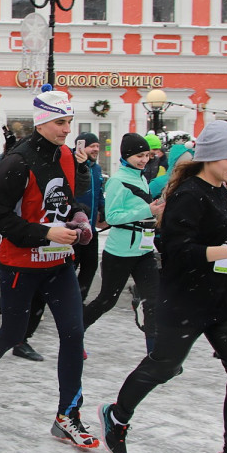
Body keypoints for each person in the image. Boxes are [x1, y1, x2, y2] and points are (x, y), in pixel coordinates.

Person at [99, 121, 227, 453]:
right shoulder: (189, 194)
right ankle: (117, 415)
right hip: (183, 300)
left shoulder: (220, 190)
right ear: (211, 155)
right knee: (163, 366)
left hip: (221, 300)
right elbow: (177, 253)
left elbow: (218, 244)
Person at [0, 85, 98, 450]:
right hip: (20, 263)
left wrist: (78, 220)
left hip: (59, 264)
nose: (67, 129)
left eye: (69, 121)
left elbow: (65, 202)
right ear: (42, 121)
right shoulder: (16, 162)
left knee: (73, 335)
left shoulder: (67, 156)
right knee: (12, 332)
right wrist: (44, 232)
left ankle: (67, 415)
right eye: (60, 122)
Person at [82, 133, 164, 350]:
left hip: (143, 250)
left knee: (154, 300)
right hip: (120, 252)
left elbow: (137, 209)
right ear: (127, 156)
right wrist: (147, 209)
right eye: (139, 155)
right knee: (106, 300)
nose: (144, 159)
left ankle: (154, 354)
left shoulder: (141, 177)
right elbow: (113, 216)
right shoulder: (118, 180)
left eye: (147, 155)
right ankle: (75, 332)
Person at [71, 132, 105, 300]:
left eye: (97, 146)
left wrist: (102, 207)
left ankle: (78, 300)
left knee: (90, 267)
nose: (96, 149)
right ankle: (63, 300)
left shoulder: (97, 168)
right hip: (73, 228)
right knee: (70, 267)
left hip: (91, 228)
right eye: (92, 146)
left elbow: (98, 192)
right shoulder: (72, 164)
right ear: (80, 147)